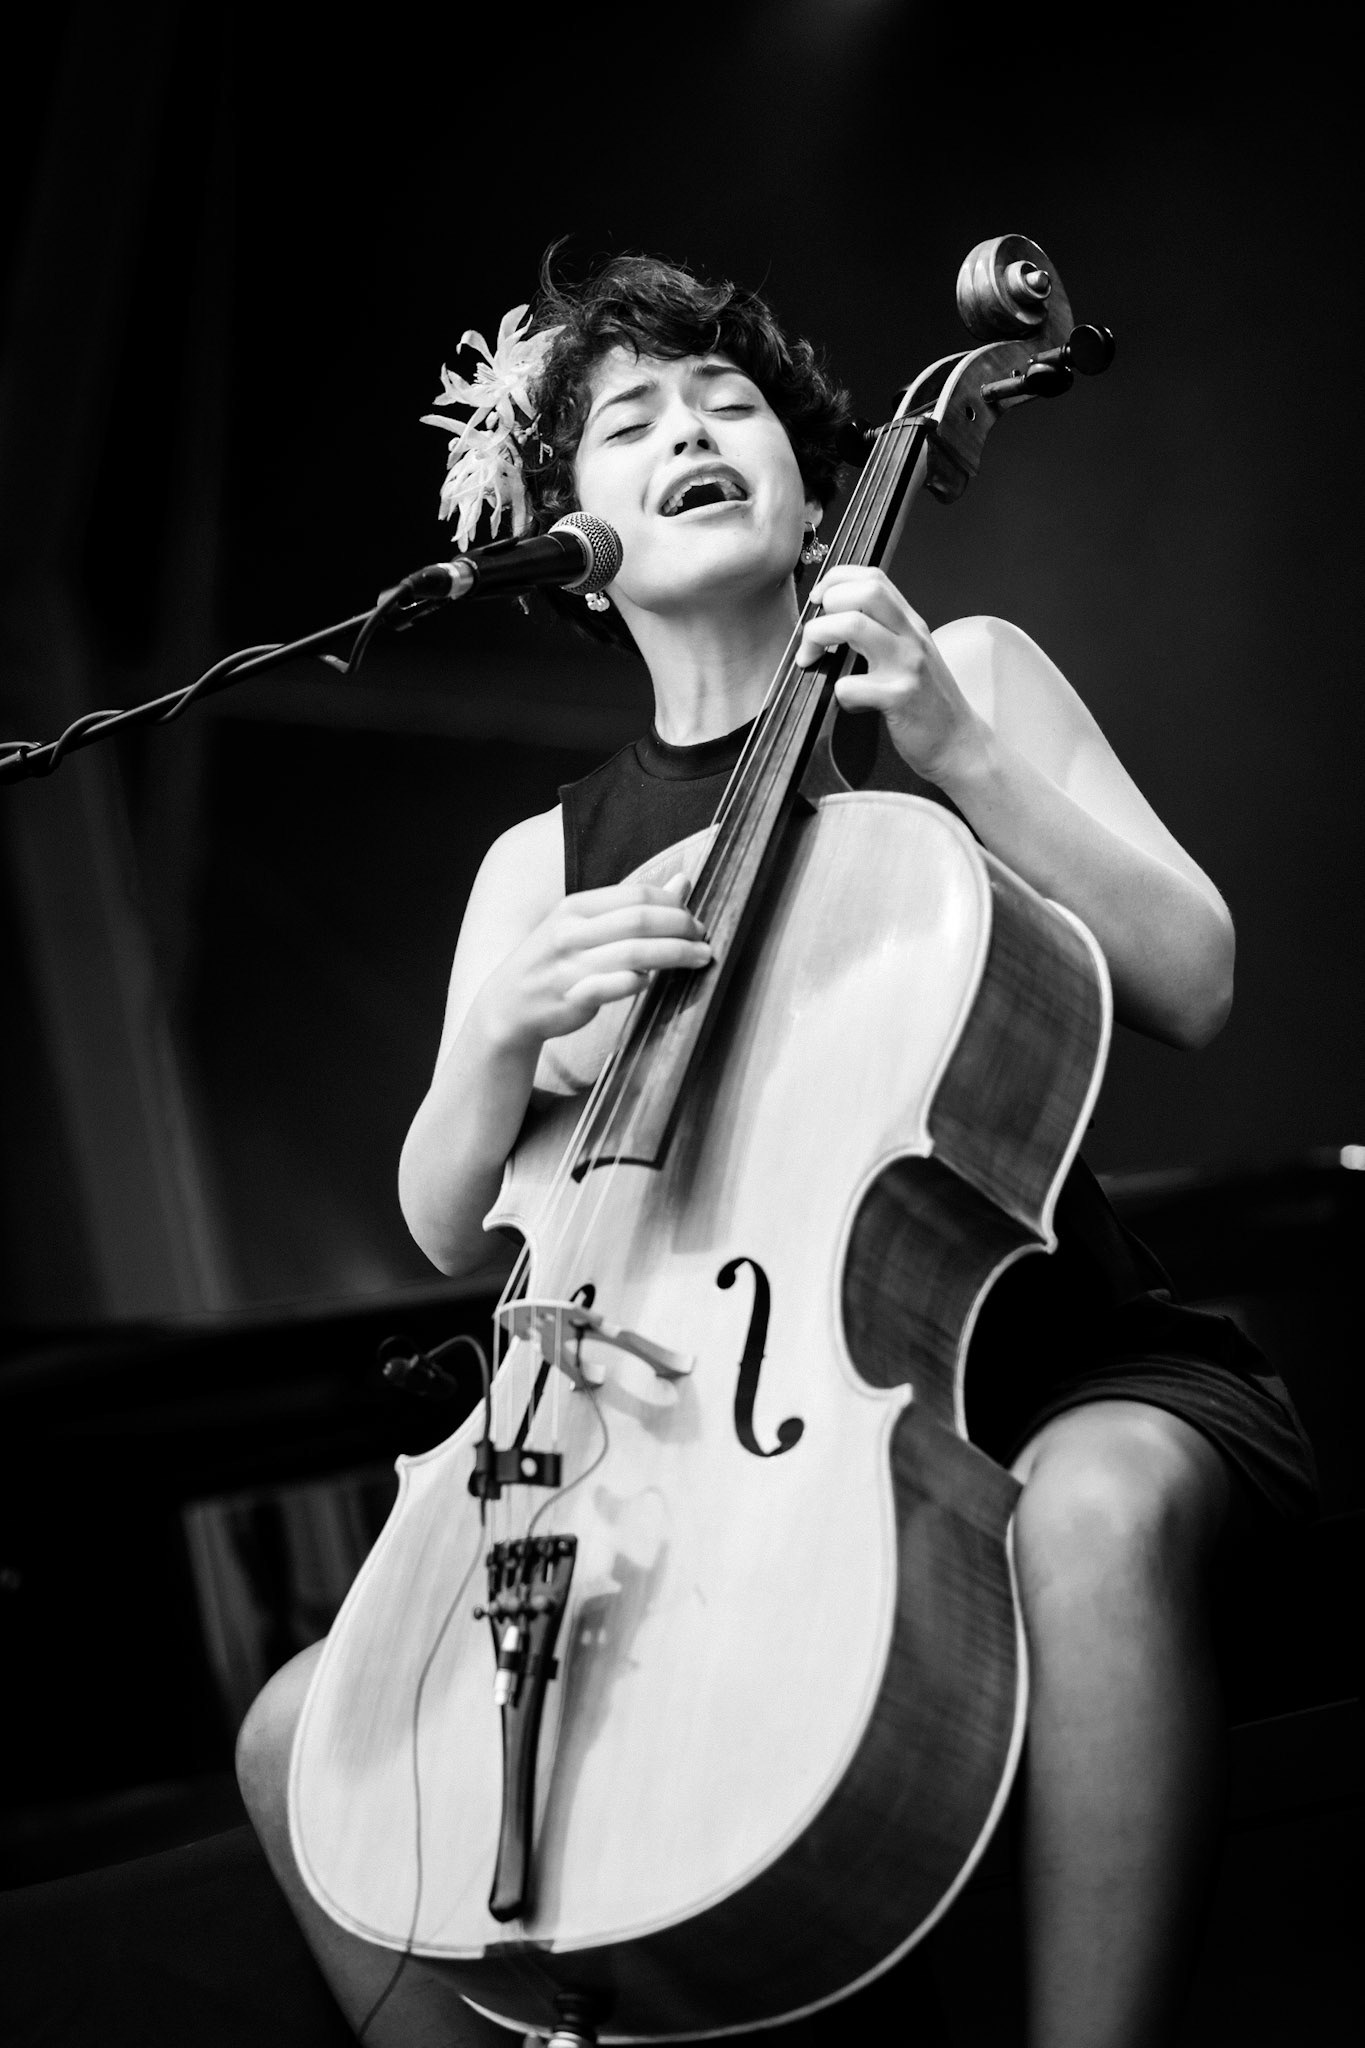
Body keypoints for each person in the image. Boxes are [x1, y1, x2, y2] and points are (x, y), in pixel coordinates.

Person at [236, 254, 1317, 2048]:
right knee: (301, 1739)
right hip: (706, 1461)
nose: (690, 433)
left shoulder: (956, 677)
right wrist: (503, 1030)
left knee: (1097, 1515)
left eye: (727, 403)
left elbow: (1192, 976)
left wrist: (957, 749)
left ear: (818, 481)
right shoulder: (541, 862)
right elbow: (448, 1223)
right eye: (632, 424)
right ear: (569, 541)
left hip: (1052, 1373)